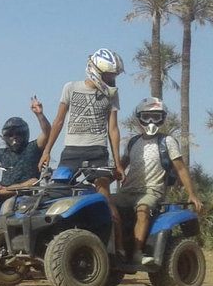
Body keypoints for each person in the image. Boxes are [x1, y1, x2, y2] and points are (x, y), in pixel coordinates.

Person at [38, 47, 126, 254]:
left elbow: (113, 129)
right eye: (108, 75)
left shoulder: (112, 95)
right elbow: (59, 121)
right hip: (71, 152)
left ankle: (119, 249)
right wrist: (47, 151)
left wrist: (118, 163)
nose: (112, 80)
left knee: (104, 197)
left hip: (98, 151)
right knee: (55, 193)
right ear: (95, 70)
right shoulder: (71, 87)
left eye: (114, 76)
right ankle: (51, 243)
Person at [112, 98, 202, 265]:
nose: (151, 121)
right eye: (147, 116)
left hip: (151, 191)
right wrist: (104, 179)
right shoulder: (132, 142)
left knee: (143, 209)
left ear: (162, 118)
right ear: (139, 118)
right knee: (103, 203)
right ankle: (116, 249)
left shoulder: (167, 142)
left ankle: (138, 252)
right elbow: (121, 167)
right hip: (127, 191)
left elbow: (181, 168)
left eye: (156, 116)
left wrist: (192, 194)